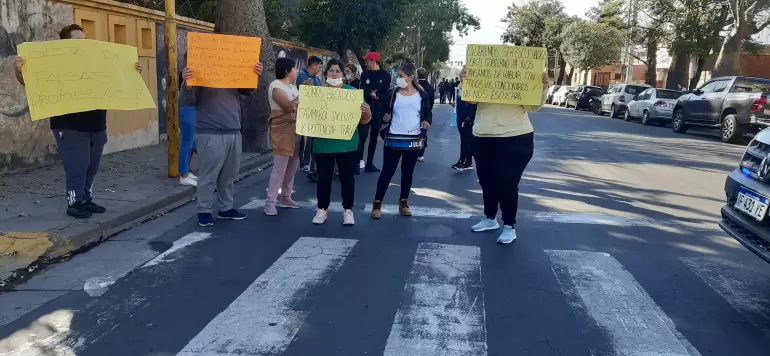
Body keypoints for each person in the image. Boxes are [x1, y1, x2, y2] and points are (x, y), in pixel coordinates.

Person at [11, 24, 143, 219]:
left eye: (84, 39)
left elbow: (116, 77)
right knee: (77, 167)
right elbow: (31, 82)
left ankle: (86, 198)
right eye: (77, 40)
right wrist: (19, 71)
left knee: (92, 166)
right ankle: (74, 202)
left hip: (97, 124)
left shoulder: (96, 61)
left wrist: (132, 71)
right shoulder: (54, 63)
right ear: (65, 44)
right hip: (69, 125)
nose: (82, 44)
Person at [466, 67, 549, 244]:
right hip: (483, 137)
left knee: (507, 183)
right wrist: (466, 79)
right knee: (486, 180)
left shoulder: (521, 81)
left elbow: (533, 106)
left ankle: (509, 226)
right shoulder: (483, 80)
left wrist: (542, 87)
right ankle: (490, 218)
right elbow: (469, 98)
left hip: (516, 138)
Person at [181, 55, 264, 227]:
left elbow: (246, 90)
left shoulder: (232, 70)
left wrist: (254, 75)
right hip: (210, 132)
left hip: (233, 130)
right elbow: (187, 100)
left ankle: (226, 208)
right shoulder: (198, 74)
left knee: (229, 174)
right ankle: (204, 210)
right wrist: (187, 85)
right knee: (208, 175)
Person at [312, 58, 372, 225]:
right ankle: (322, 210)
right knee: (323, 178)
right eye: (331, 70)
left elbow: (365, 120)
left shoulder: (352, 93)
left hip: (347, 144)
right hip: (323, 144)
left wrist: (366, 112)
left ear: (344, 75)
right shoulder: (316, 93)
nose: (334, 73)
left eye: (338, 71)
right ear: (326, 74)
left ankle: (348, 211)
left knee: (347, 178)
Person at [370, 63, 432, 219]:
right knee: (387, 172)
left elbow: (427, 113)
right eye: (397, 76)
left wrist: (426, 121)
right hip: (393, 138)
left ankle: (404, 203)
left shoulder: (422, 95)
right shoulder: (392, 94)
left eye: (401, 76)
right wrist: (384, 117)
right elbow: (382, 112)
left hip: (414, 140)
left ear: (410, 77)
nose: (398, 79)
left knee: (408, 172)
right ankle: (377, 204)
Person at [265, 57, 301, 216]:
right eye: (295, 68)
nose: (297, 71)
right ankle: (270, 202)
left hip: (296, 129)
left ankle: (286, 196)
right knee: (279, 168)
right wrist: (303, 97)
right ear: (287, 70)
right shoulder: (275, 86)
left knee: (292, 165)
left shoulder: (294, 87)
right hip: (282, 129)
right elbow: (287, 107)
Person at [359, 52, 392, 173]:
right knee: (362, 136)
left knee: (373, 138)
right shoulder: (364, 74)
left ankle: (369, 163)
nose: (366, 63)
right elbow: (362, 88)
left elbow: (386, 94)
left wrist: (377, 95)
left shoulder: (386, 76)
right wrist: (369, 93)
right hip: (365, 110)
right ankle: (359, 161)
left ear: (373, 61)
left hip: (378, 111)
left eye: (368, 61)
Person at [296, 56, 323, 182]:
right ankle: (303, 163)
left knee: (310, 140)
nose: (320, 69)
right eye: (319, 66)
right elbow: (301, 93)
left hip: (315, 114)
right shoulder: (302, 76)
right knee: (305, 139)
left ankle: (308, 162)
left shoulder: (316, 79)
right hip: (305, 113)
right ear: (313, 65)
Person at [179, 53, 198, 187]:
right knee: (187, 143)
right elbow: (187, 88)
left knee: (190, 144)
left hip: (192, 110)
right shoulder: (188, 77)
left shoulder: (193, 76)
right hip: (188, 110)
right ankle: (183, 175)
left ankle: (187, 172)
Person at [453, 69, 477, 171]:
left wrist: (468, 119)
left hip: (468, 119)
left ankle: (466, 161)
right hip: (460, 117)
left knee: (467, 141)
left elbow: (472, 106)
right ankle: (464, 160)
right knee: (464, 140)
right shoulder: (461, 88)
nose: (462, 76)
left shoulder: (473, 90)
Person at [415, 68, 435, 162]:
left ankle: (412, 152)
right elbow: (431, 103)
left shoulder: (414, 86)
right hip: (425, 114)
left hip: (415, 113)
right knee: (423, 134)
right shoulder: (430, 87)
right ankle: (421, 154)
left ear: (417, 75)